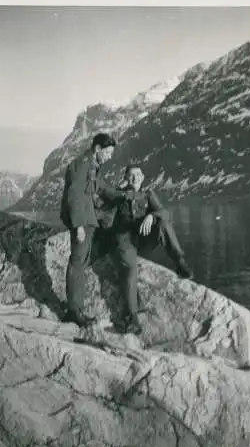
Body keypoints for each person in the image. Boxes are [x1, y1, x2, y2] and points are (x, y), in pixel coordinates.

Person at [112, 164, 194, 334]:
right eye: (131, 175)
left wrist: (151, 215)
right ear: (126, 178)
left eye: (138, 175)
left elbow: (164, 213)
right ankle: (132, 318)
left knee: (163, 223)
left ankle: (179, 262)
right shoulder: (117, 194)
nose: (135, 178)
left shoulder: (148, 194)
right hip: (124, 240)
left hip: (142, 241)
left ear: (142, 177)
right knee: (130, 269)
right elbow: (102, 208)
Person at [60, 132, 128, 328]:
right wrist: (78, 226)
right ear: (97, 149)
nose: (109, 156)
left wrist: (121, 193)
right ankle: (73, 311)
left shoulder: (92, 166)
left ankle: (76, 308)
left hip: (89, 216)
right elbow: (74, 197)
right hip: (82, 219)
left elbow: (102, 187)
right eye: (107, 152)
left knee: (82, 260)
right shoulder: (81, 165)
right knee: (77, 262)